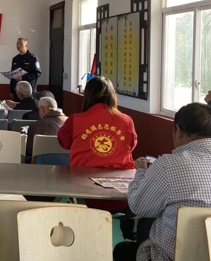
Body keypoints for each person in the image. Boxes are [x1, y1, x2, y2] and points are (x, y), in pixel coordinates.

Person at [113, 103, 211, 261]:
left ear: (178, 130)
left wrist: (140, 171)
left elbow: (138, 206)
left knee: (122, 249)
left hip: (169, 257)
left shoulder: (169, 164)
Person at [58, 76, 137, 239]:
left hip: (85, 196)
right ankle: (128, 236)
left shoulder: (75, 120)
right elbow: (131, 145)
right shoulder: (127, 120)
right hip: (123, 196)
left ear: (87, 96)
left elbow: (63, 143)